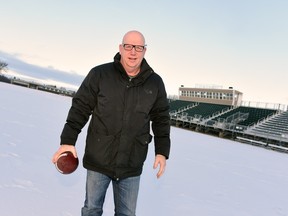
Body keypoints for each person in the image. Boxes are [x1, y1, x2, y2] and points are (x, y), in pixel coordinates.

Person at [52, 30, 171, 216]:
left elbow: (162, 119)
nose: (133, 52)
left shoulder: (155, 83)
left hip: (131, 164)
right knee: (92, 209)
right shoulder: (100, 74)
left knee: (127, 214)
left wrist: (162, 151)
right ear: (120, 48)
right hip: (99, 158)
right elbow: (80, 108)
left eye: (138, 47)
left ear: (144, 51)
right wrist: (68, 140)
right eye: (129, 46)